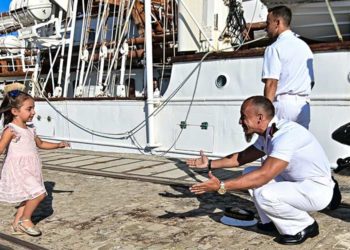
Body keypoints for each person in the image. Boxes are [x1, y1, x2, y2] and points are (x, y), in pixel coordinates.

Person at [187, 96, 334, 245]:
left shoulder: (285, 136)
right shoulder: (269, 134)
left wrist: (221, 186)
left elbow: (264, 175)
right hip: (298, 183)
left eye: (243, 116)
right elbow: (241, 157)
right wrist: (210, 164)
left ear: (260, 118)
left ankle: (304, 226)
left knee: (265, 194)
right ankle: (271, 221)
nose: (240, 121)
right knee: (249, 172)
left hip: (317, 190)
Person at [0, 88, 70, 237]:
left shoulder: (30, 129)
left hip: (31, 167)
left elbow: (41, 144)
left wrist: (58, 145)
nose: (33, 112)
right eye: (29, 109)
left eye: (33, 108)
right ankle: (26, 220)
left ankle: (16, 224)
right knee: (39, 194)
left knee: (27, 197)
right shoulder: (11, 130)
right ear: (15, 111)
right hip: (18, 169)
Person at [262, 6, 314, 129]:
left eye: (268, 23)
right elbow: (311, 82)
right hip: (303, 106)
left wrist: (265, 114)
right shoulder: (305, 47)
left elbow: (271, 83)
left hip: (283, 106)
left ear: (277, 23)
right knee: (299, 145)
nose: (266, 27)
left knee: (277, 144)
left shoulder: (274, 48)